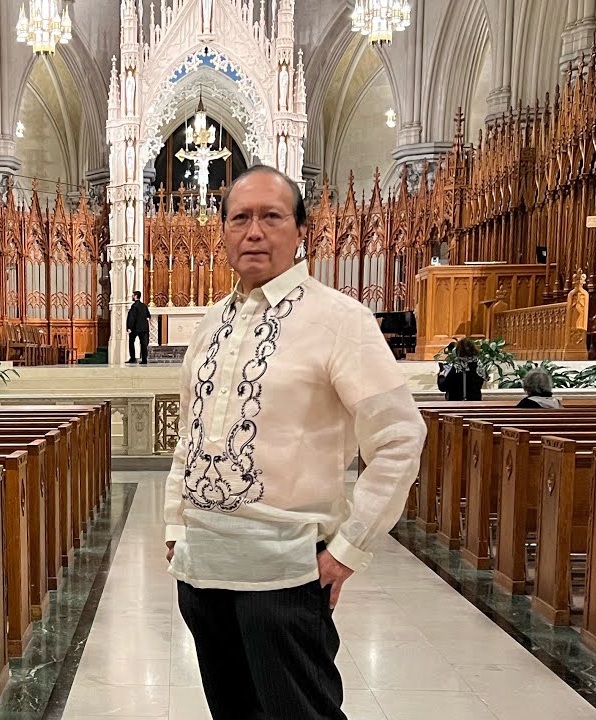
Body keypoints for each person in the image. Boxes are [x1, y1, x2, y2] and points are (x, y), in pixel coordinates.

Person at [163, 165, 425, 720]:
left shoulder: (338, 319)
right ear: (225, 232)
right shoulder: (211, 323)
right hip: (203, 571)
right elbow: (191, 432)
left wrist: (349, 548)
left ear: (301, 229)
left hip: (285, 576)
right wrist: (174, 525)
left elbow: (401, 435)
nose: (253, 231)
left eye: (271, 216)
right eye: (240, 218)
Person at [126, 290, 151, 365]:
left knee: (131, 342)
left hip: (135, 328)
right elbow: (148, 316)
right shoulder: (144, 305)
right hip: (143, 328)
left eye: (133, 295)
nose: (132, 297)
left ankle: (133, 358)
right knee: (143, 344)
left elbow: (132, 317)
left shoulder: (134, 306)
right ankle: (144, 359)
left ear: (136, 296)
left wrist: (129, 327)